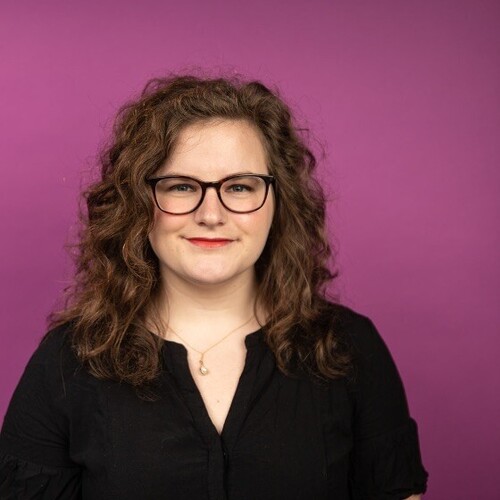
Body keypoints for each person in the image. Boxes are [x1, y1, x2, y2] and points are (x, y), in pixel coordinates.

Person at [0, 75, 428, 499]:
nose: (210, 214)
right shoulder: (68, 361)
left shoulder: (350, 348)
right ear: (138, 203)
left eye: (239, 187)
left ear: (279, 202)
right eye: (181, 186)